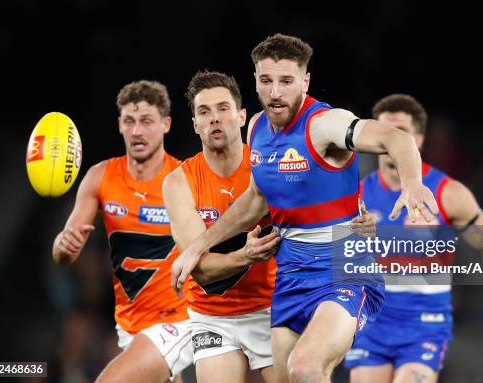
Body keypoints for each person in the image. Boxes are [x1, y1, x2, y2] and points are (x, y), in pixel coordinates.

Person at [171, 34, 440, 383]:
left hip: (344, 272)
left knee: (306, 368)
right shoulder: (257, 129)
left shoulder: (324, 125)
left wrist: (412, 183)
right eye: (266, 81)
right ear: (255, 82)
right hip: (292, 276)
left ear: (305, 81)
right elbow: (256, 199)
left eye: (286, 81)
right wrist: (197, 246)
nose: (275, 92)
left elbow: (396, 139)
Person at [345, 94, 483, 383]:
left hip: (423, 326)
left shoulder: (448, 193)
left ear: (419, 140)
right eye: (384, 134)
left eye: (401, 133)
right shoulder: (352, 197)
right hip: (370, 325)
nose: (391, 142)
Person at [52, 80, 193, 383]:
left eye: (146, 121)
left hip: (179, 319)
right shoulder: (100, 177)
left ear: (166, 124)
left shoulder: (186, 179)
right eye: (129, 121)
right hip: (130, 323)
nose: (137, 131)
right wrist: (64, 246)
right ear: (120, 124)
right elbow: (63, 252)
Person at [162, 70, 280, 383]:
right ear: (195, 124)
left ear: (242, 116)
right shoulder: (178, 183)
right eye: (204, 112)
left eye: (223, 109)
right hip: (212, 316)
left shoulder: (267, 167)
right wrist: (248, 255)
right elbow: (200, 271)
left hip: (271, 307)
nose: (214, 118)